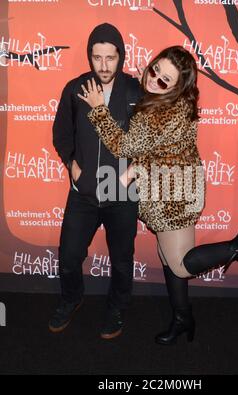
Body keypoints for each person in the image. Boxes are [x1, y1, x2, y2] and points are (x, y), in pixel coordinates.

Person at [79, 46, 238, 345]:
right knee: (167, 258)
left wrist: (98, 109)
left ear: (177, 87)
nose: (154, 79)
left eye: (164, 80)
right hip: (179, 188)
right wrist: (138, 168)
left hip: (171, 198)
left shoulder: (158, 112)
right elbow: (156, 150)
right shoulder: (174, 104)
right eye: (154, 69)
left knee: (179, 263)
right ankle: (183, 319)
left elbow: (124, 147)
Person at [50, 23, 143, 339]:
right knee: (68, 256)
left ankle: (117, 308)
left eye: (110, 58)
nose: (103, 66)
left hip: (122, 195)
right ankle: (72, 298)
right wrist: (70, 164)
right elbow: (61, 133)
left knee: (121, 260)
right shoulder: (75, 89)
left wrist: (132, 172)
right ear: (90, 56)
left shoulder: (134, 92)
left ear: (121, 56)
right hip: (84, 194)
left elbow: (146, 141)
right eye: (97, 57)